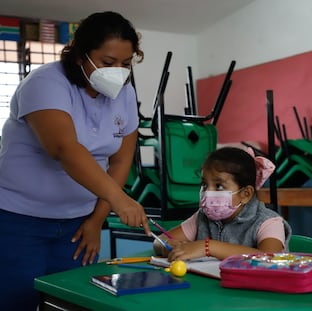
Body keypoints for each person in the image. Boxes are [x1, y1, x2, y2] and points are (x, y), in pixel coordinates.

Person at [0, 11, 151, 310]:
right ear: (81, 55)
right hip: (17, 221)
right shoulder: (45, 82)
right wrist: (120, 201)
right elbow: (64, 148)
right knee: (15, 300)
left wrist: (97, 220)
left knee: (68, 301)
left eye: (126, 64)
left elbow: (120, 162)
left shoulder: (125, 93)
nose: (118, 72)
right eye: (108, 63)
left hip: (78, 225)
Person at [153, 146, 292, 261]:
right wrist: (169, 247)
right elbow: (160, 240)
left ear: (246, 194)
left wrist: (207, 247)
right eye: (204, 184)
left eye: (219, 186)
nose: (207, 192)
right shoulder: (202, 218)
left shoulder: (268, 222)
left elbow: (270, 258)